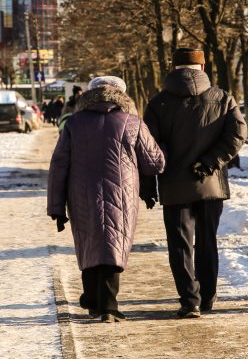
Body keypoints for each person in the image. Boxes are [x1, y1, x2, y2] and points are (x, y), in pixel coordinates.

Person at [48, 76, 165, 323]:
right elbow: (155, 162)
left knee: (89, 241)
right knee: (115, 241)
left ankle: (92, 298)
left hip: (80, 193)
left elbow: (59, 165)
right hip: (122, 193)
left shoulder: (74, 123)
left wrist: (56, 207)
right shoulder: (132, 122)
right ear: (122, 96)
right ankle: (109, 306)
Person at [142, 48, 247, 319]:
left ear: (172, 66)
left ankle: (190, 301)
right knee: (207, 241)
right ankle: (208, 297)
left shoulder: (158, 103)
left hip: (174, 185)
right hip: (210, 184)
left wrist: (147, 185)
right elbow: (237, 135)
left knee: (180, 244)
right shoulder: (222, 98)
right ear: (202, 65)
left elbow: (147, 148)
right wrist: (211, 161)